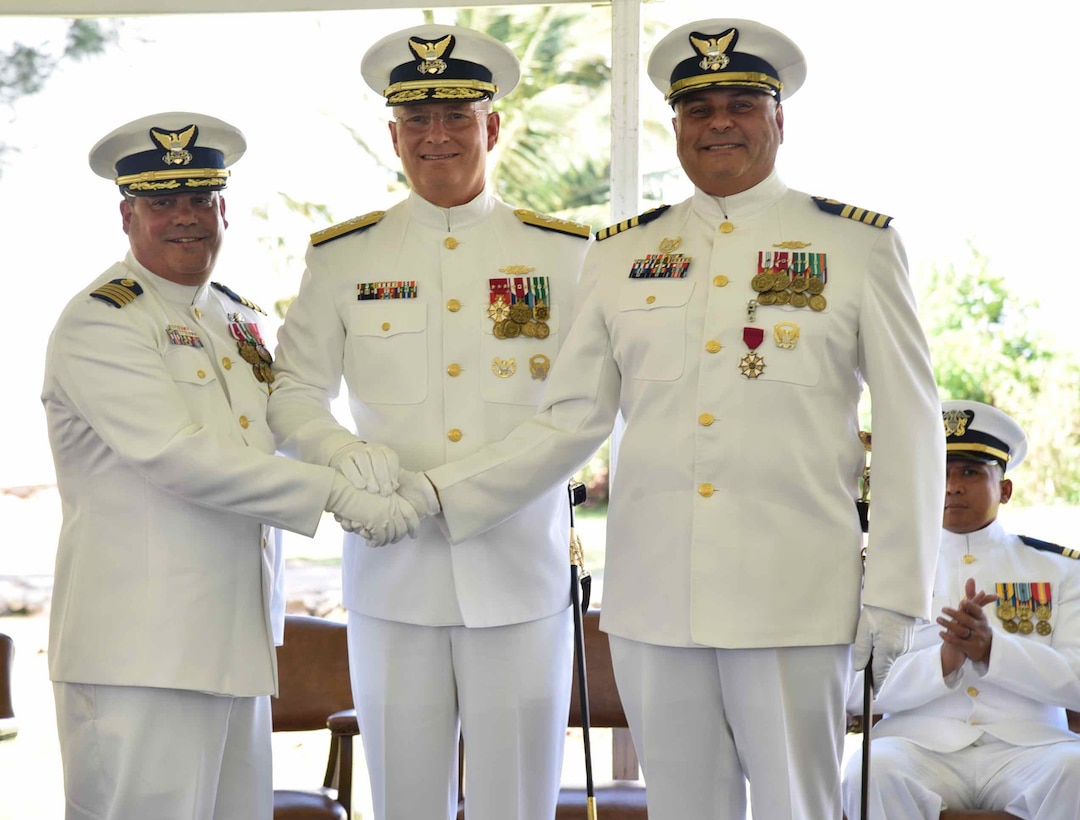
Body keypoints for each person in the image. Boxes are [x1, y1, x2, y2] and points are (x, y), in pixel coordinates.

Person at [392, 17, 946, 819]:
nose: (719, 121)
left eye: (740, 103)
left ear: (778, 119)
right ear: (676, 126)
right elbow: (573, 415)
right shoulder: (619, 253)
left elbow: (909, 424)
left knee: (800, 806)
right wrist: (443, 494)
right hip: (656, 599)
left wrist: (896, 592)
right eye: (698, 108)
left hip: (793, 593)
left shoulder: (856, 245)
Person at [41, 111, 416, 820]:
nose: (184, 219)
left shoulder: (237, 318)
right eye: (161, 203)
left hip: (232, 639)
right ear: (127, 215)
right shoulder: (102, 320)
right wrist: (339, 493)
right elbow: (181, 458)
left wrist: (347, 453)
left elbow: (282, 418)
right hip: (140, 653)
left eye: (198, 200)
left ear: (224, 209)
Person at [266, 25, 591, 820]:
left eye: (456, 115)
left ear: (493, 126)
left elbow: (583, 412)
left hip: (519, 578)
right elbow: (292, 392)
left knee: (516, 804)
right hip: (391, 578)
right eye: (416, 120)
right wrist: (345, 457)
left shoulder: (566, 257)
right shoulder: (344, 257)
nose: (436, 135)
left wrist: (440, 493)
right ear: (393, 136)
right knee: (405, 803)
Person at [841, 400, 1080, 819]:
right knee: (871, 772)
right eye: (942, 472)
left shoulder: (1060, 569)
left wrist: (993, 652)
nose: (952, 485)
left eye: (970, 472)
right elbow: (850, 691)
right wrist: (944, 661)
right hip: (918, 745)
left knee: (1076, 771)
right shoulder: (883, 571)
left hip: (1031, 748)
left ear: (1004, 489)